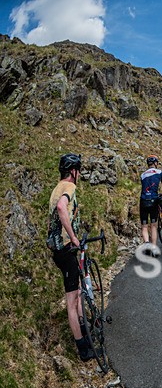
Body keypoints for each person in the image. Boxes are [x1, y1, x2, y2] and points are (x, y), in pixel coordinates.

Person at [47, 154, 95, 362]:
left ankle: (86, 331)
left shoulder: (56, 187)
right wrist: (74, 237)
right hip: (65, 250)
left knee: (75, 292)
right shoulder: (69, 188)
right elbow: (61, 208)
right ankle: (83, 349)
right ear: (73, 171)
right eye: (79, 170)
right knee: (72, 301)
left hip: (59, 251)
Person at [140, 155, 162, 253]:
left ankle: (146, 243)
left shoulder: (142, 175)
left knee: (144, 226)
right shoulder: (159, 172)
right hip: (154, 200)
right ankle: (154, 248)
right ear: (156, 163)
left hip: (143, 201)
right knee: (153, 225)